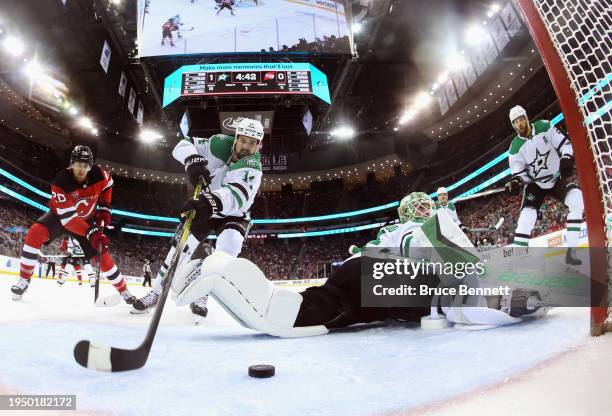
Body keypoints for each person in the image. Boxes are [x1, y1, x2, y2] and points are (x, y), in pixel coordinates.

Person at [173, 192, 545, 337]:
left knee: (308, 305)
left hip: (359, 272)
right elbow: (451, 257)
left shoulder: (392, 229)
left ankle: (218, 265)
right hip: (392, 276)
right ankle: (220, 268)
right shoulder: (431, 223)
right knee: (459, 296)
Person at [131, 118, 265, 318]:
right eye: (243, 140)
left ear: (258, 145)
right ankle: (155, 292)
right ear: (235, 138)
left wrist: (207, 201)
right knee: (179, 248)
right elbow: (182, 144)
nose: (246, 147)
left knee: (231, 244)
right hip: (206, 204)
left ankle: (202, 296)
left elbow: (237, 197)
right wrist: (191, 161)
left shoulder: (253, 166)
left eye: (252, 143)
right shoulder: (219, 143)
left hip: (232, 213)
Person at [10, 145, 136, 303]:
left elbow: (108, 185)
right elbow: (68, 220)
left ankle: (124, 291)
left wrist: (105, 207)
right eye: (78, 164)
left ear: (90, 167)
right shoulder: (61, 181)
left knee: (101, 255)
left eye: (85, 165)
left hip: (86, 220)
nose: (81, 169)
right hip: (60, 217)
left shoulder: (100, 175)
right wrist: (91, 232)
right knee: (35, 233)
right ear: (71, 164)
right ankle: (24, 280)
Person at [504, 105, 584, 264]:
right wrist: (516, 182)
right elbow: (520, 175)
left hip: (556, 178)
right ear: (513, 125)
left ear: (526, 118)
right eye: (515, 122)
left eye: (521, 120)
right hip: (536, 185)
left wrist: (566, 158)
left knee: (578, 201)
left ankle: (571, 254)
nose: (519, 124)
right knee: (526, 221)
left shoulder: (545, 126)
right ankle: (520, 266)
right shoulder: (514, 149)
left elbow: (565, 145)